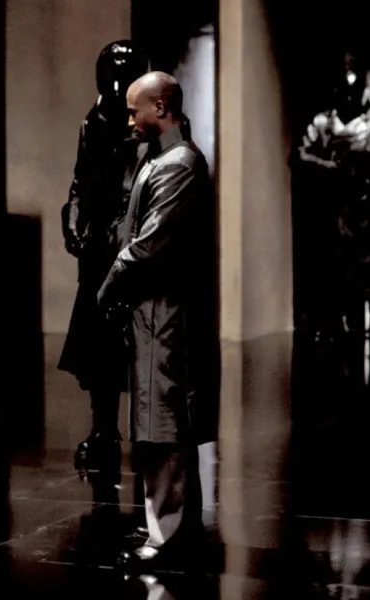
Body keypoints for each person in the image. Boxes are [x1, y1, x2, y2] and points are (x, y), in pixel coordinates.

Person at [97, 71, 218, 569]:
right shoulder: (161, 158)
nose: (129, 119)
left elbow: (147, 246)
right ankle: (170, 526)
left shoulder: (179, 164)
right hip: (154, 313)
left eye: (135, 110)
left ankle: (168, 535)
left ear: (161, 108)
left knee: (164, 422)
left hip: (167, 314)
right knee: (158, 419)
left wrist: (109, 283)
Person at [59, 40, 149, 473]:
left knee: (138, 340)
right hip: (98, 246)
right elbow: (80, 180)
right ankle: (103, 429)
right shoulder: (92, 122)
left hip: (132, 242)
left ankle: (146, 430)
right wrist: (74, 221)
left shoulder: (148, 125)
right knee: (98, 343)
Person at [292, 53, 370, 352]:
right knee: (334, 266)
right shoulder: (323, 121)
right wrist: (331, 166)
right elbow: (299, 155)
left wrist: (363, 158)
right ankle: (333, 324)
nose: (350, 95)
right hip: (334, 205)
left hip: (364, 204)